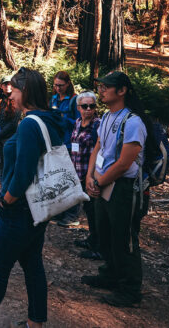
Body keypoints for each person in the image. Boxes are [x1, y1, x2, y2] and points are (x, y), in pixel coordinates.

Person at [0, 68, 65, 328]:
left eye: (15, 90)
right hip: (40, 207)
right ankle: (35, 323)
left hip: (20, 209)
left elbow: (24, 174)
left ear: (25, 91)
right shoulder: (50, 118)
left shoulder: (29, 123)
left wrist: (6, 200)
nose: (11, 95)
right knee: (32, 266)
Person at [81, 71, 152, 307]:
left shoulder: (133, 122)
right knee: (105, 233)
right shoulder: (107, 117)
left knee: (124, 238)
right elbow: (98, 148)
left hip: (123, 189)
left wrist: (99, 181)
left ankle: (130, 290)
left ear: (121, 91)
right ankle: (110, 275)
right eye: (100, 86)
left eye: (106, 87)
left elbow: (125, 163)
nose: (101, 90)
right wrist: (90, 176)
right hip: (103, 182)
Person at [69, 91, 102, 252]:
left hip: (92, 175)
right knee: (89, 209)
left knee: (96, 210)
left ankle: (98, 244)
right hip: (79, 173)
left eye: (92, 106)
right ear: (78, 107)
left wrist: (94, 175)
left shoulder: (98, 125)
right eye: (85, 106)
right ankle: (93, 238)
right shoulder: (77, 123)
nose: (88, 109)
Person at [0, 76, 20, 179]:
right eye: (6, 84)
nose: (8, 86)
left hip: (8, 138)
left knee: (9, 164)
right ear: (1, 86)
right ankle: (2, 189)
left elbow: (13, 123)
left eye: (10, 84)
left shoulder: (16, 100)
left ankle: (7, 191)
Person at [50, 71, 79, 149]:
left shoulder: (74, 100)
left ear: (68, 83)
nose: (58, 88)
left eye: (61, 85)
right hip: (55, 142)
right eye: (56, 85)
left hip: (69, 143)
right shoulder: (53, 99)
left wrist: (65, 119)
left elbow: (80, 122)